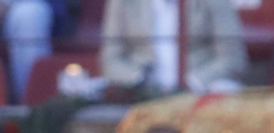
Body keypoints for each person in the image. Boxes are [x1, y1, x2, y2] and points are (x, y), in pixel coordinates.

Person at [99, 0, 246, 96]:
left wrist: (192, 83)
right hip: (144, 92)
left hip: (200, 88)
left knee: (224, 91)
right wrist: (139, 79)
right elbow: (110, 59)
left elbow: (232, 58)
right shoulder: (123, 2)